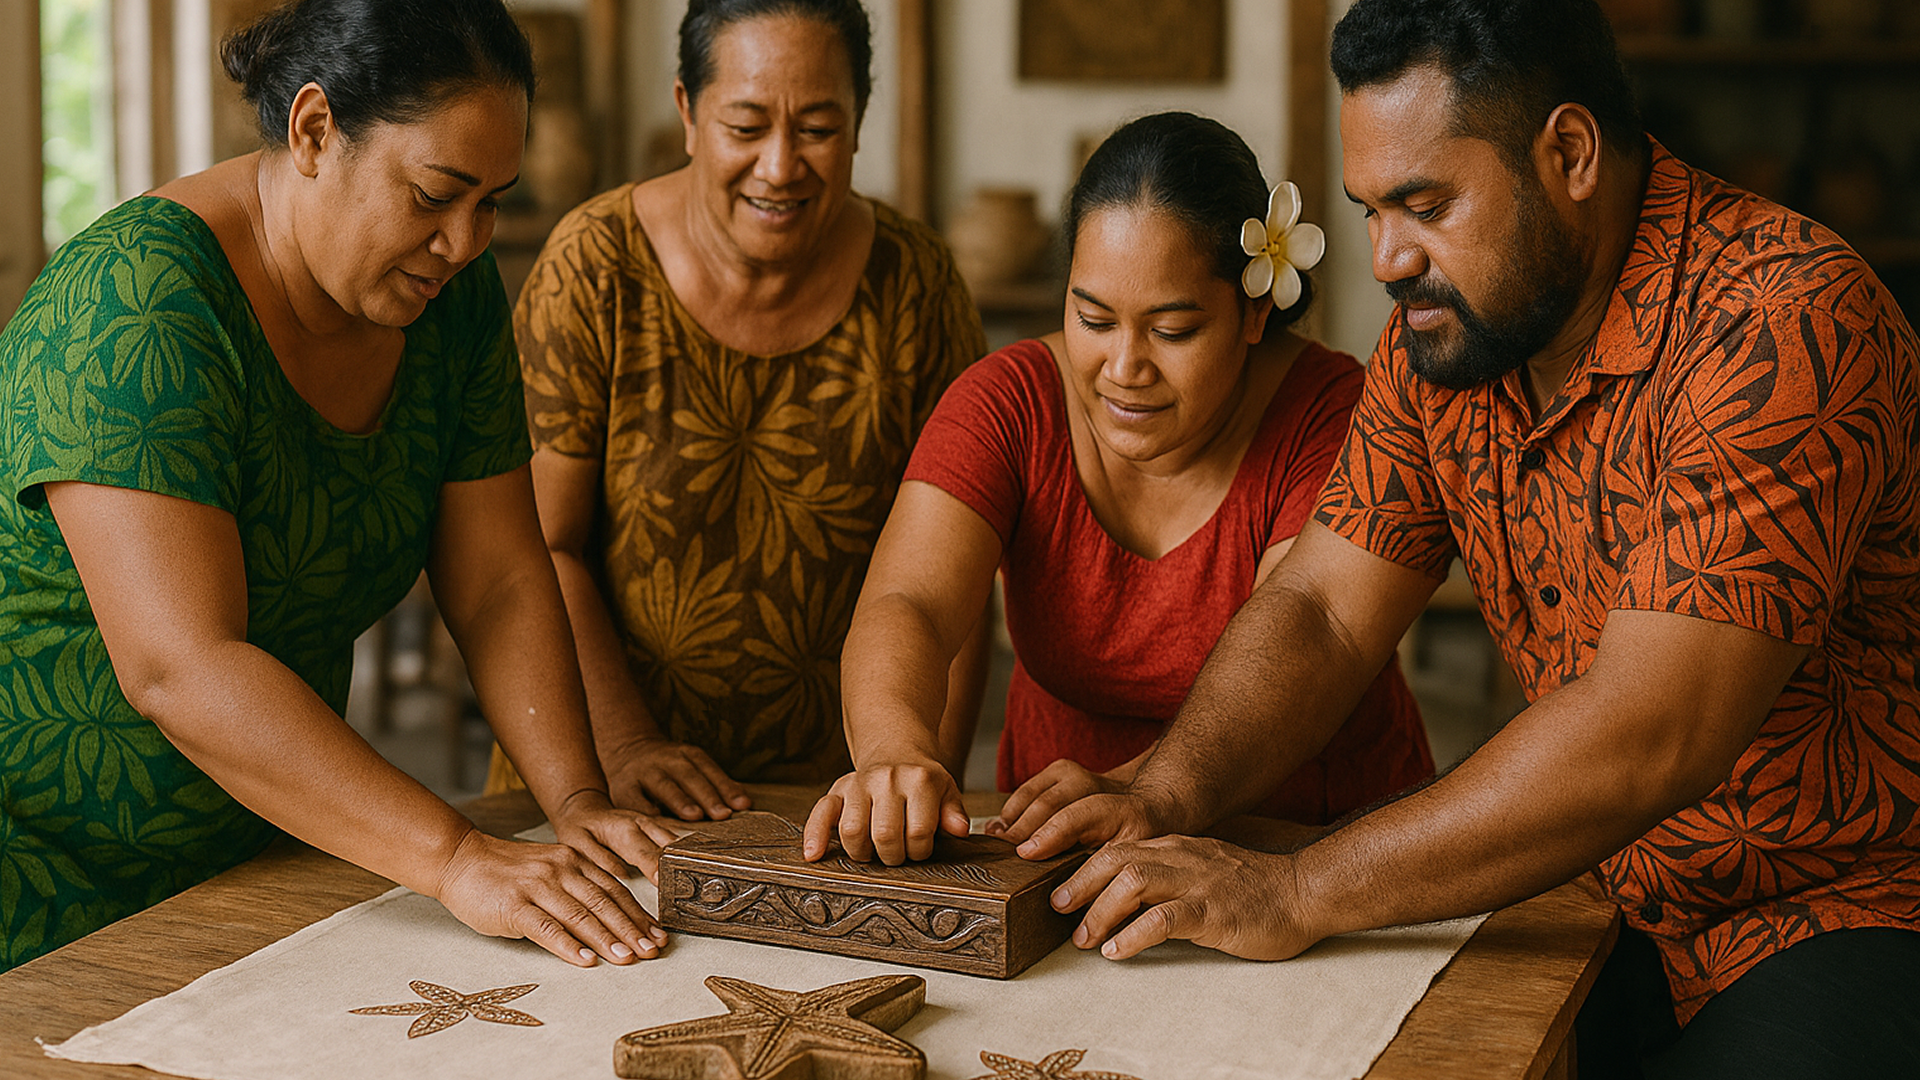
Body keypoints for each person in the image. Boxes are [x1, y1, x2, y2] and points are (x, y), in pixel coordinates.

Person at [1018, 2, 1920, 1077]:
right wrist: (1164, 791)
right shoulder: (1443, 339)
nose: (1387, 258)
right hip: (1593, 894)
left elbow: (1649, 731)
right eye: (1367, 209)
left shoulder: (1785, 319)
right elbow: (1323, 611)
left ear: (1570, 153)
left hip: (1846, 907)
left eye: (1425, 203)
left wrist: (1299, 888)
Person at [0, 0, 677, 973]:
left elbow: (499, 583)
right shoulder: (139, 307)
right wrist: (452, 858)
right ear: (314, 130)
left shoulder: (446, 297)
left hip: (260, 852)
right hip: (39, 880)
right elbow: (181, 668)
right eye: (435, 193)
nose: (464, 240)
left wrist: (576, 804)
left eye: (491, 200)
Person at [803, 112, 1433, 866]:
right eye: (1093, 318)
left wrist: (1144, 791)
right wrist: (893, 749)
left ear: (1255, 311)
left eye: (1172, 331)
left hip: (1303, 852)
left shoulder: (1336, 416)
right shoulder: (1009, 404)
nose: (1124, 367)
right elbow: (910, 602)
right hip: (1058, 858)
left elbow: (1305, 641)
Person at [502, 0, 989, 829]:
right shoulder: (594, 269)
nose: (779, 166)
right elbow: (540, 548)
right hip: (601, 785)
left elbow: (962, 571)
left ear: (861, 123)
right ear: (689, 113)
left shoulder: (917, 286)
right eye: (746, 125)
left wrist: (915, 779)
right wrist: (622, 748)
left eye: (819, 129)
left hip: (832, 806)